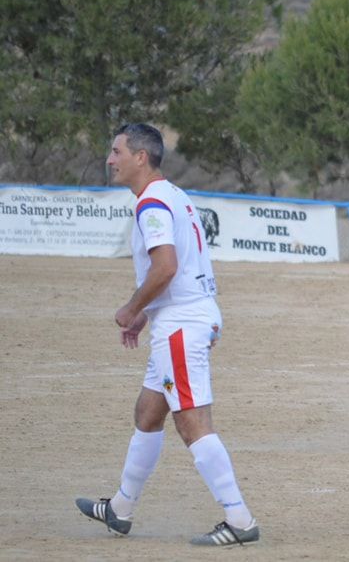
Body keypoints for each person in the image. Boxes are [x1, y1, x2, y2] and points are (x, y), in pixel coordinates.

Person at [75, 123, 259, 546]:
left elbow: (166, 267)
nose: (110, 159)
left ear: (141, 157)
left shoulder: (152, 204)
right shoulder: (172, 194)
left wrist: (132, 308)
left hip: (182, 324)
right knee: (148, 412)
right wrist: (148, 314)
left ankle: (240, 519)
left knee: (192, 422)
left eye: (117, 151)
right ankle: (121, 508)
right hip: (184, 316)